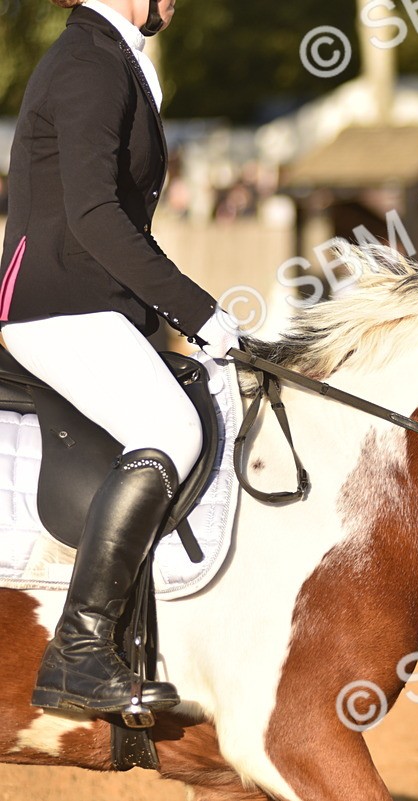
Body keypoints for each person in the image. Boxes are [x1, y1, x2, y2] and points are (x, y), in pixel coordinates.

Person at [0, 0, 240, 718]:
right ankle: (79, 651)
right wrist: (198, 312)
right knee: (173, 430)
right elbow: (94, 216)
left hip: (91, 304)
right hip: (58, 305)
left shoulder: (109, 56)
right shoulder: (89, 63)